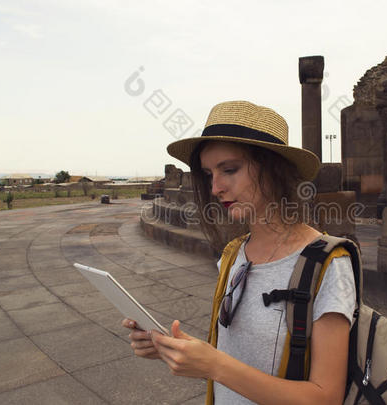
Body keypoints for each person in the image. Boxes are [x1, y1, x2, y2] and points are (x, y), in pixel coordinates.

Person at [122, 100, 356, 404]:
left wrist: (215, 365)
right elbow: (234, 356)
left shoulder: (328, 265)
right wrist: (173, 349)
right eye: (208, 174)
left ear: (275, 170)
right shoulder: (234, 255)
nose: (216, 187)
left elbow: (325, 397)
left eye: (229, 170)